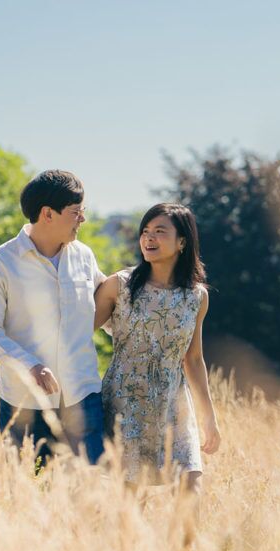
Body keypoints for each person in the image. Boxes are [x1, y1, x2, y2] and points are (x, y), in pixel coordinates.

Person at [0, 170, 106, 469]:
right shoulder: (0, 263)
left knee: (92, 490)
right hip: (25, 405)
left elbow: (105, 309)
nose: (82, 219)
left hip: (83, 397)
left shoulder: (84, 256)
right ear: (47, 214)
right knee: (29, 493)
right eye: (76, 212)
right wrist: (30, 366)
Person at [93, 202, 221, 491]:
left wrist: (209, 418)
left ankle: (184, 540)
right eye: (145, 231)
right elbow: (78, 332)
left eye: (160, 231)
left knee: (191, 490)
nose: (149, 238)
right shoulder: (120, 285)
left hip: (173, 405)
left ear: (182, 242)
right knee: (130, 501)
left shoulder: (196, 297)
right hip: (125, 404)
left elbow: (194, 359)